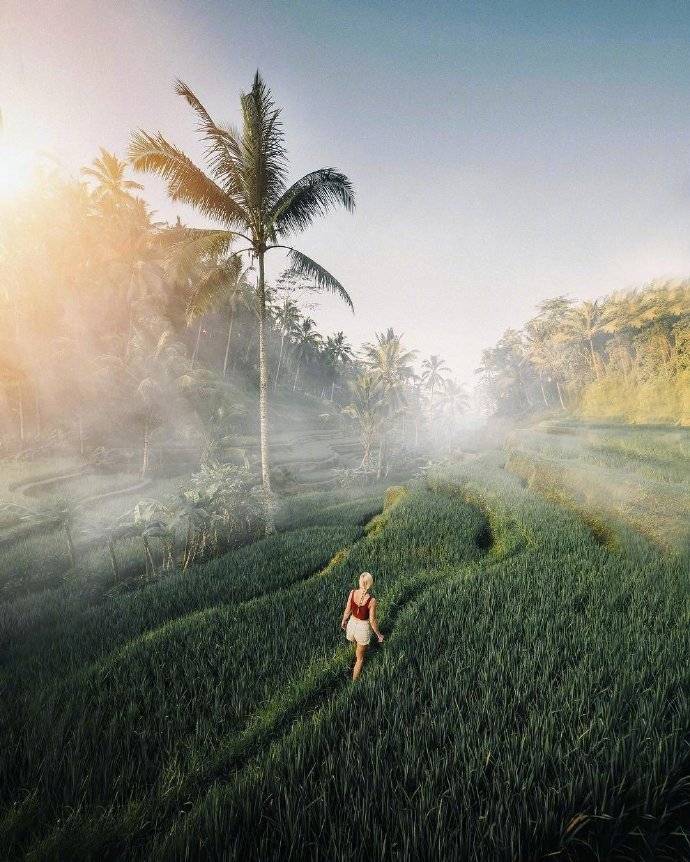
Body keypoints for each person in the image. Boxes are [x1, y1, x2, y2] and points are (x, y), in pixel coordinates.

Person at [340, 571, 384, 680]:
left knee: (357, 645)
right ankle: (354, 684)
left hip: (351, 626)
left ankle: (352, 663)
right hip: (362, 630)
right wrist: (379, 635)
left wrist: (344, 621)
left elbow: (347, 609)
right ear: (370, 584)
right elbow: (372, 620)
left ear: (360, 581)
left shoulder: (352, 592)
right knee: (360, 659)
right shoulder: (372, 600)